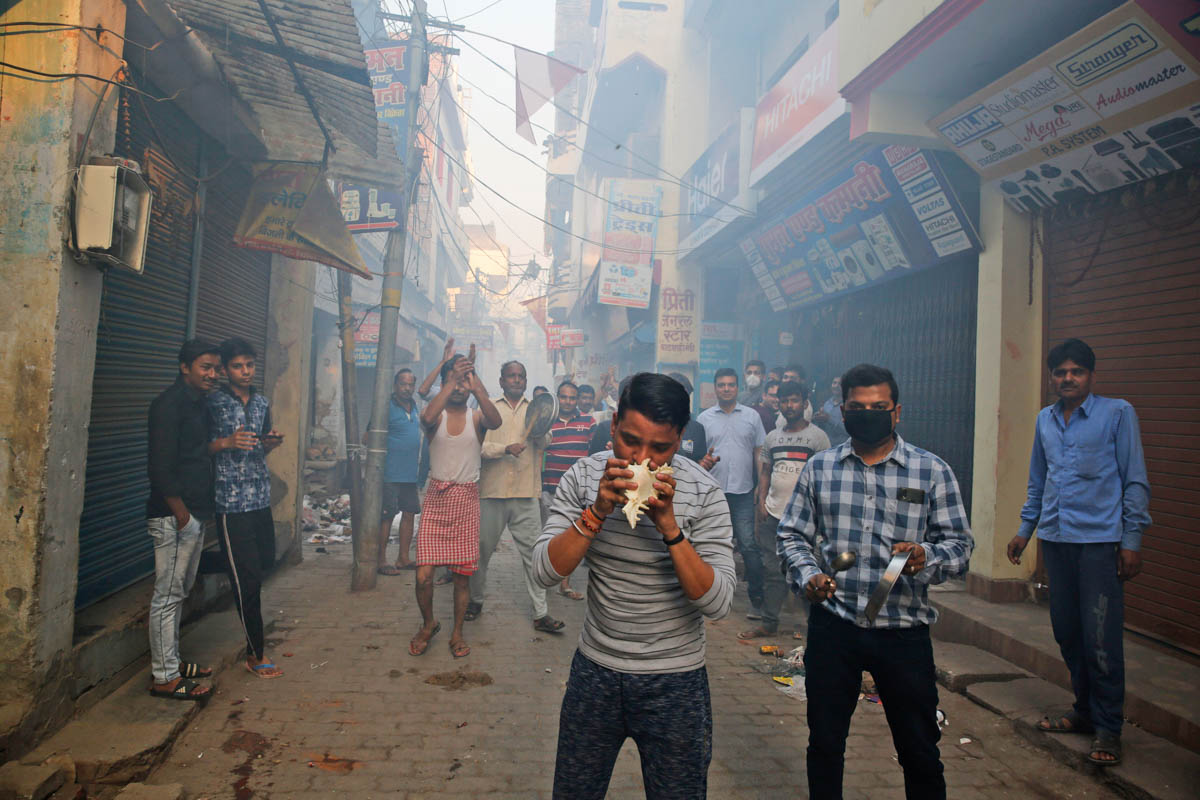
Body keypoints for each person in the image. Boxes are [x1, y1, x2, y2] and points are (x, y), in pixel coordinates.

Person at [533, 373, 736, 799]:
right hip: (596, 673)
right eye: (629, 441)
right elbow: (544, 572)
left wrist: (670, 527)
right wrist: (597, 511)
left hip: (676, 681)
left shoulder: (704, 493)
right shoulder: (584, 477)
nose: (641, 459)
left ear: (680, 439)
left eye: (659, 448)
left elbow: (717, 604)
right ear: (612, 427)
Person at [778, 363, 973, 800]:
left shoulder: (931, 472)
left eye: (878, 407)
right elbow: (792, 535)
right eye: (858, 407)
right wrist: (809, 576)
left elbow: (959, 547)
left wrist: (929, 557)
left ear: (896, 412)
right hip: (835, 628)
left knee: (920, 750)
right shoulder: (821, 469)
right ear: (843, 411)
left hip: (904, 632)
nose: (868, 413)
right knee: (825, 745)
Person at [1008, 338, 1150, 768]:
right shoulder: (1045, 420)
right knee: (1067, 631)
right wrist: (1024, 530)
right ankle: (1084, 712)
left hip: (1099, 544)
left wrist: (1131, 542)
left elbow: (1135, 479)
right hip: (1056, 539)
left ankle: (1109, 726)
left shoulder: (1118, 414)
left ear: (1091, 375)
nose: (1067, 378)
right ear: (1051, 377)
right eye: (1060, 372)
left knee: (1101, 637)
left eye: (1076, 371)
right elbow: (1039, 479)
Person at [410, 351, 502, 658]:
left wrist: (476, 386)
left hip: (466, 501)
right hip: (436, 499)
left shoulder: (477, 418)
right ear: (445, 382)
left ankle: (457, 632)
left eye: (466, 380)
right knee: (423, 575)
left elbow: (496, 419)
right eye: (455, 380)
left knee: (462, 578)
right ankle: (428, 624)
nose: (461, 386)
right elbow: (424, 418)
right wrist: (449, 381)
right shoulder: (435, 415)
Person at [146, 339, 222, 700]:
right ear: (185, 368)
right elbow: (160, 467)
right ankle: (164, 677)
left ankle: (172, 663)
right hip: (174, 516)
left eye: (214, 368)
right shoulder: (168, 405)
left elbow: (197, 453)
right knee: (168, 595)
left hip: (193, 513)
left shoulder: (198, 405)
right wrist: (182, 515)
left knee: (179, 593)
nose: (212, 374)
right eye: (205, 367)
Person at [208, 337, 286, 680]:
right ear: (225, 370)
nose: (245, 372)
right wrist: (225, 442)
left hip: (259, 498)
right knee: (248, 581)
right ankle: (256, 653)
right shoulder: (212, 403)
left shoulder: (260, 403)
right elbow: (195, 446)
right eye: (238, 366)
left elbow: (258, 447)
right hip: (230, 501)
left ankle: (212, 562)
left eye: (249, 365)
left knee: (265, 562)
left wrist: (268, 444)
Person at [471, 360, 565, 633]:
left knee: (533, 556)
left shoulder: (535, 409)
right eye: (511, 376)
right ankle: (475, 601)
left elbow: (545, 443)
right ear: (501, 381)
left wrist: (541, 431)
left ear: (525, 381)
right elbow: (477, 446)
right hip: (492, 492)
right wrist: (503, 449)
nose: (516, 380)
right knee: (481, 551)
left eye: (520, 376)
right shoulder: (488, 409)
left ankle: (540, 613)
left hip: (526, 494)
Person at [739, 381, 829, 640]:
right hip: (774, 514)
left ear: (804, 402)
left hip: (806, 517)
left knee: (808, 568)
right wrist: (762, 503)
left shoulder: (818, 438)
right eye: (785, 401)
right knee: (772, 570)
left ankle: (816, 627)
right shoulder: (773, 438)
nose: (790, 406)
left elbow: (824, 478)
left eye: (795, 400)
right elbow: (766, 471)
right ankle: (769, 623)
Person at [698, 367, 767, 620]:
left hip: (743, 492)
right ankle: (707, 597)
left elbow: (759, 451)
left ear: (737, 388)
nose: (726, 389)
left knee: (748, 545)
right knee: (710, 545)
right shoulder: (704, 419)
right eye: (721, 385)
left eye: (730, 385)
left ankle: (757, 601)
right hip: (713, 493)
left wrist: (761, 484)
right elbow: (699, 457)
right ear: (715, 388)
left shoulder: (752, 417)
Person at [542, 381, 594, 601]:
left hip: (576, 492)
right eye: (564, 397)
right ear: (557, 397)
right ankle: (544, 578)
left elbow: (593, 454)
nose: (569, 402)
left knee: (572, 538)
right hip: (550, 488)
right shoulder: (546, 421)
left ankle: (565, 584)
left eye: (573, 398)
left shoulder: (588, 422)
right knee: (549, 535)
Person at [376, 368, 422, 575]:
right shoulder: (385, 407)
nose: (407, 388)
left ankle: (403, 558)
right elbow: (369, 436)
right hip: (389, 473)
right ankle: (381, 560)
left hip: (410, 473)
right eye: (403, 384)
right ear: (395, 385)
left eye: (411, 384)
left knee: (409, 513)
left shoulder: (415, 407)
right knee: (386, 516)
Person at [666, 372, 708, 462]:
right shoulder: (652, 423)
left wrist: (703, 465)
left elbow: (699, 463)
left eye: (684, 395)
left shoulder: (697, 429)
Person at [813, 375, 847, 443]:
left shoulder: (848, 405)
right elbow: (824, 427)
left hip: (842, 448)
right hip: (827, 446)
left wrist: (829, 419)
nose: (836, 386)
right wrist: (818, 418)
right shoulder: (827, 404)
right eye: (834, 383)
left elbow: (848, 430)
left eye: (840, 384)